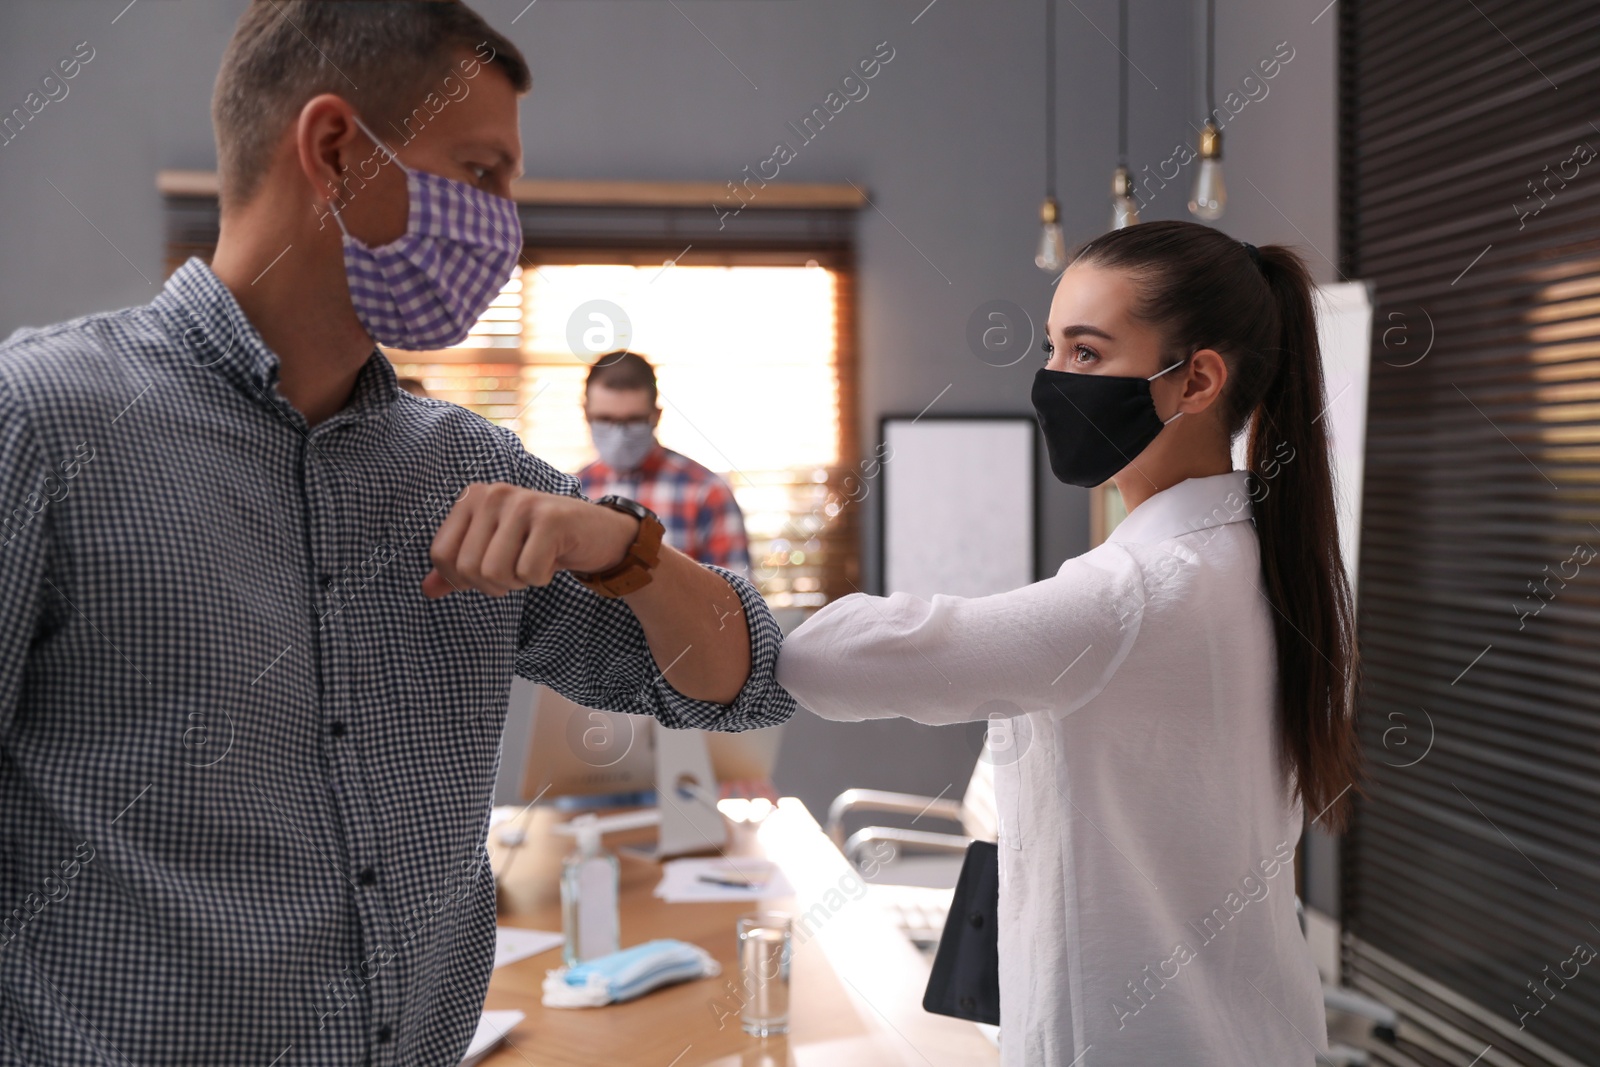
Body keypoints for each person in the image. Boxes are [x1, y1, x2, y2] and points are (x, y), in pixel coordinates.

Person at [0, 4, 794, 1065]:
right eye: (480, 172)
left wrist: (619, 545)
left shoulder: (474, 468)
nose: (506, 228)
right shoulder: (39, 425)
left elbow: (743, 679)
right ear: (334, 150)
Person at [777, 220, 1359, 1066]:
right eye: (1052, 350)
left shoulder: (1137, 594)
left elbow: (855, 658)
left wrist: (639, 564)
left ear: (1196, 380)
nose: (1053, 381)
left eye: (1087, 353)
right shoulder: (1251, 557)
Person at [578, 350, 752, 577]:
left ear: (655, 416)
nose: (618, 435)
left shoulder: (707, 492)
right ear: (586, 413)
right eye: (605, 419)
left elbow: (735, 603)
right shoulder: (573, 491)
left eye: (633, 420)